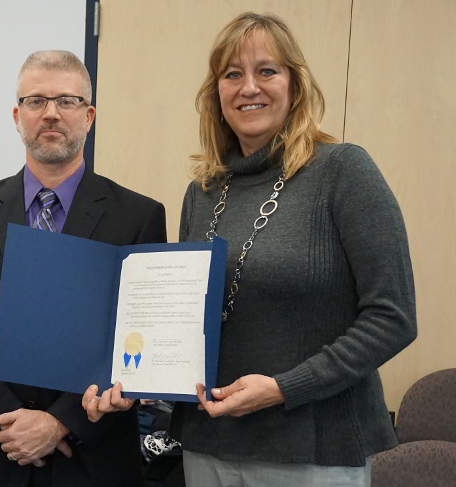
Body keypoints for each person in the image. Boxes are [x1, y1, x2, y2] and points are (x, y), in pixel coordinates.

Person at [83, 12, 417, 487]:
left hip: (311, 451)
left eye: (267, 70)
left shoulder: (343, 172)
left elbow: (394, 316)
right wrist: (131, 381)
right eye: (232, 74)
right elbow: (184, 321)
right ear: (216, 93)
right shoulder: (201, 192)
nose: (249, 87)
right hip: (209, 444)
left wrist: (284, 389)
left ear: (295, 86)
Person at [0, 50, 167, 487]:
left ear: (89, 115)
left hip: (95, 455)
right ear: (17, 116)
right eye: (36, 101)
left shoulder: (138, 216)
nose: (51, 114)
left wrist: (59, 422)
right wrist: (11, 425)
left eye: (67, 101)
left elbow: (138, 336)